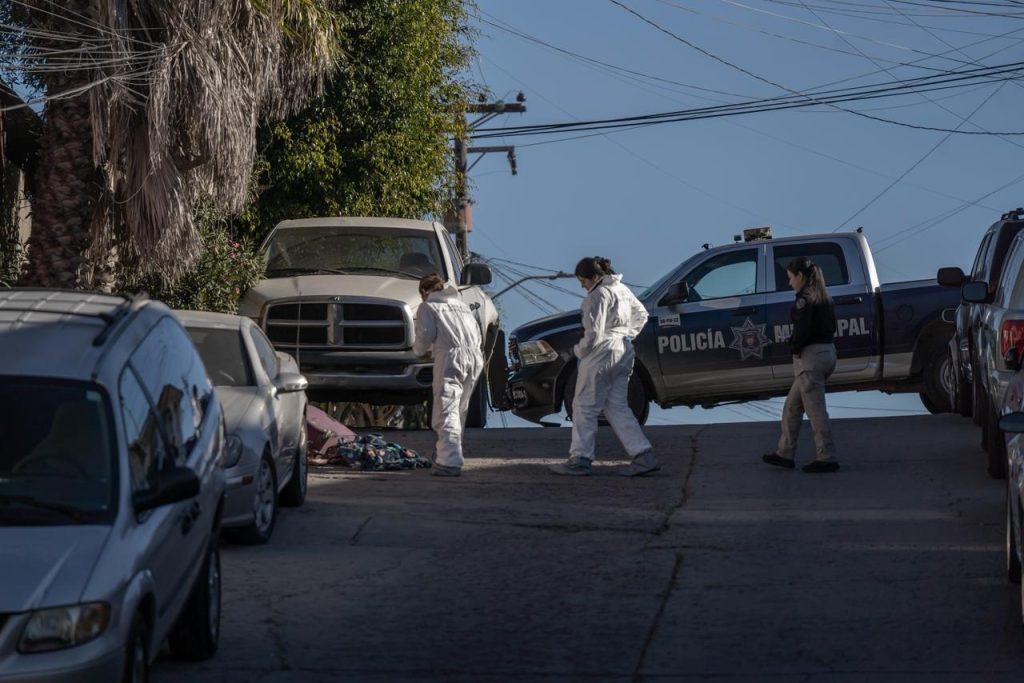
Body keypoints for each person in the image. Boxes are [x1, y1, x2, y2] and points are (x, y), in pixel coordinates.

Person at [550, 256, 658, 477]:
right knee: (617, 406)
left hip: (601, 353)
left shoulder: (596, 296)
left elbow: (594, 334)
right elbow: (642, 315)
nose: (582, 285)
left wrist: (578, 351)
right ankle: (643, 454)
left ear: (595, 277)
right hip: (624, 350)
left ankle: (580, 458)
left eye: (583, 281)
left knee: (583, 406)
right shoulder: (622, 290)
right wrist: (628, 334)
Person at [762, 256, 840, 473]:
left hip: (811, 359)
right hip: (827, 353)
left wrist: (794, 347)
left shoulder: (804, 299)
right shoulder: (824, 296)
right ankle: (784, 454)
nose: (790, 283)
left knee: (816, 411)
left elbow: (802, 331)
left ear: (800, 276)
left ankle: (827, 457)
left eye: (791, 278)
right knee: (792, 407)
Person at [413, 272, 484, 477]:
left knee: (447, 409)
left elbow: (426, 335)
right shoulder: (462, 306)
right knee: (460, 409)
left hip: (451, 358)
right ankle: (450, 453)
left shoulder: (428, 306)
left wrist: (418, 351)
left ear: (425, 291)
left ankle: (449, 461)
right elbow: (477, 333)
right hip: (474, 357)